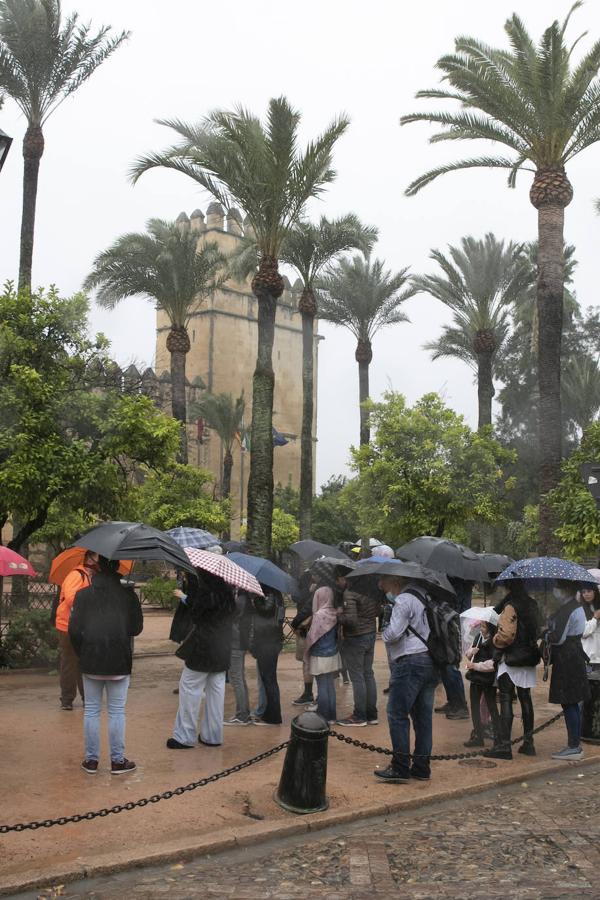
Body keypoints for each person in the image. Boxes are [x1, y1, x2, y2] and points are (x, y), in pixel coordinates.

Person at [69, 556, 143, 774]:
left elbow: (73, 630)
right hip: (119, 658)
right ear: (118, 568)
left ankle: (91, 761)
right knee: (117, 711)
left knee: (91, 710)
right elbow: (135, 629)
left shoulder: (83, 595)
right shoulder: (127, 596)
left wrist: (82, 652)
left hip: (90, 658)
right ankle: (118, 761)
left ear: (98, 568)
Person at [375, 574, 439, 784]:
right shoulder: (424, 594)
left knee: (397, 714)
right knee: (423, 719)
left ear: (394, 580)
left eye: (382, 581)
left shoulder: (403, 599)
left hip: (409, 662)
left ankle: (400, 767)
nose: (380, 585)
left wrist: (383, 634)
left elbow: (394, 633)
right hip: (429, 661)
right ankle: (421, 767)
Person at [167, 572, 235, 750]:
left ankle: (184, 736)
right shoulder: (228, 591)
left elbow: (196, 615)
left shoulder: (206, 592)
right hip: (222, 648)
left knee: (189, 689)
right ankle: (213, 735)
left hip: (203, 648)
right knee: (216, 693)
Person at [484, 580, 540, 760]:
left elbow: (506, 635)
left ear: (508, 587)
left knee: (506, 698)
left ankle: (504, 747)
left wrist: (494, 641)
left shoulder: (510, 606)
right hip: (529, 656)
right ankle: (528, 743)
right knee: (525, 698)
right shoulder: (532, 604)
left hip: (511, 658)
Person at [545, 579, 590, 761]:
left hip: (567, 660)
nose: (555, 590)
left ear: (565, 590)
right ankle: (575, 744)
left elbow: (558, 638)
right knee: (572, 702)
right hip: (575, 656)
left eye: (558, 587)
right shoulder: (575, 606)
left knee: (569, 702)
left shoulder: (567, 609)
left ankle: (573, 746)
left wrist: (547, 633)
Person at [55, 550, 99, 710]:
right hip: (68, 626)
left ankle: (86, 698)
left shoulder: (89, 576)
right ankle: (66, 700)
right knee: (69, 663)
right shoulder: (76, 575)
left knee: (83, 663)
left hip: (81, 627)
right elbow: (72, 598)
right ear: (90, 558)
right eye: (98, 557)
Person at [336, 573, 382, 726]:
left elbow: (351, 620)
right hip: (370, 634)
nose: (338, 582)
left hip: (356, 637)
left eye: (340, 579)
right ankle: (372, 714)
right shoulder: (370, 591)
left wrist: (338, 615)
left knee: (357, 677)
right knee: (368, 674)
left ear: (346, 578)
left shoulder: (349, 593)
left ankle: (359, 716)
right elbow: (377, 612)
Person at [304, 582, 341, 724]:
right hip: (332, 653)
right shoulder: (334, 612)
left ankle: (323, 717)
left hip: (320, 655)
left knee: (322, 686)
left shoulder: (319, 615)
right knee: (330, 685)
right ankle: (332, 716)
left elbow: (312, 637)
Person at [434, 577, 471, 720]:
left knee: (451, 666)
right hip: (446, 623)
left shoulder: (460, 581)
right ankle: (453, 701)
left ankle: (460, 706)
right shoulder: (450, 577)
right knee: (445, 665)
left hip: (452, 625)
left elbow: (459, 605)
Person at [250, 587, 284, 725]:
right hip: (268, 640)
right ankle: (269, 713)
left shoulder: (270, 594)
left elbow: (265, 610)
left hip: (268, 641)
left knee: (269, 680)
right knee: (268, 679)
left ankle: (273, 716)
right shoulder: (274, 594)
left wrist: (256, 599)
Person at [463, 620, 500, 748]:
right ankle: (478, 736)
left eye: (484, 627)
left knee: (491, 706)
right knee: (474, 707)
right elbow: (469, 656)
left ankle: (498, 737)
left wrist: (475, 666)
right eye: (481, 626)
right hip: (475, 678)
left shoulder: (495, 641)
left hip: (488, 679)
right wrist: (470, 652)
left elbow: (493, 664)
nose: (481, 629)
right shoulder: (478, 637)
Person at [224, 590, 253, 725]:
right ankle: (244, 712)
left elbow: (230, 617)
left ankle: (242, 715)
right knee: (239, 677)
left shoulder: (241, 599)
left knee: (236, 678)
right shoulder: (245, 598)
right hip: (239, 641)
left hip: (236, 642)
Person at [290, 573, 315, 706]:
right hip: (316, 629)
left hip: (305, 628)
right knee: (310, 661)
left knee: (306, 661)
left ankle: (308, 693)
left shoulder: (306, 590)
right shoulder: (317, 588)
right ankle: (310, 693)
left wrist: (294, 624)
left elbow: (304, 608)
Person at [580, 583, 600, 670]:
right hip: (588, 657)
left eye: (589, 591)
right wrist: (595, 618)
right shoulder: (580, 610)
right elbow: (584, 632)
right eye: (583, 592)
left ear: (595, 592)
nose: (586, 594)